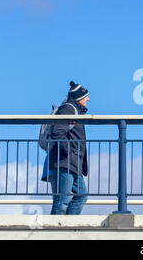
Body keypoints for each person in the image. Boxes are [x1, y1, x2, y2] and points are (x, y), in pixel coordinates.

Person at [48, 81, 89, 215]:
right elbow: (58, 132)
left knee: (81, 195)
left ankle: (68, 225)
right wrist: (69, 151)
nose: (88, 99)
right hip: (66, 162)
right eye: (85, 97)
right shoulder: (68, 109)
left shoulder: (75, 110)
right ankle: (55, 232)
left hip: (73, 162)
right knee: (62, 199)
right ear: (79, 98)